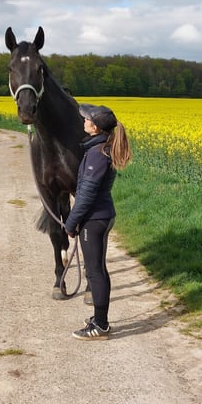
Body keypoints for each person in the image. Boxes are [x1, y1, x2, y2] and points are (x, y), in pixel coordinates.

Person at [64, 104, 132, 340]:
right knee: (98, 269)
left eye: (86, 119)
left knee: (94, 272)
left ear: (95, 126)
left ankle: (101, 325)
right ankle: (99, 319)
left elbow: (87, 194)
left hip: (94, 219)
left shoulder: (97, 154)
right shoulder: (100, 148)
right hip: (100, 216)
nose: (83, 121)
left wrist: (71, 223)